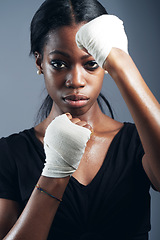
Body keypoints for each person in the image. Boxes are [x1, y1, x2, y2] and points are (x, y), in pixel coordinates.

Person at [0, 0, 160, 239]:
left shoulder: (139, 143)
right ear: (39, 62)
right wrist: (55, 172)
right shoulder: (10, 153)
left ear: (105, 65)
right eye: (59, 63)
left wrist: (121, 62)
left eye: (91, 63)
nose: (76, 80)